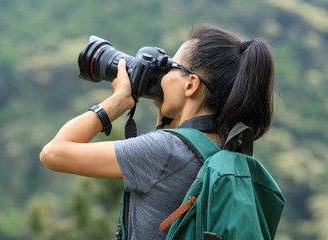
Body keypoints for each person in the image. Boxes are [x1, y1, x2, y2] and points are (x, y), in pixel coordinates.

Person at [40, 24, 275, 239]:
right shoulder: (224, 152)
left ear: (191, 85)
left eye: (172, 66)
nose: (164, 76)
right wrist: (167, 110)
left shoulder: (164, 151)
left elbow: (53, 153)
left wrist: (118, 101)